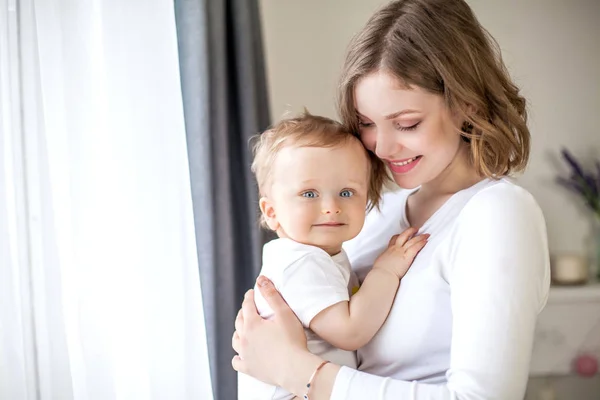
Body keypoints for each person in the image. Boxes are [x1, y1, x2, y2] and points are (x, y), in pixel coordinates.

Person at [232, 0, 551, 398]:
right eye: (366, 123)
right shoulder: (376, 214)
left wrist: (298, 371)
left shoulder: (497, 214)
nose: (381, 146)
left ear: (467, 104)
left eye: (406, 123)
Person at [238, 113, 428, 400]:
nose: (331, 207)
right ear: (271, 212)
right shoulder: (302, 262)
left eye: (346, 191)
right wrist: (386, 271)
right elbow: (350, 331)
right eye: (309, 193)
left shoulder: (312, 254)